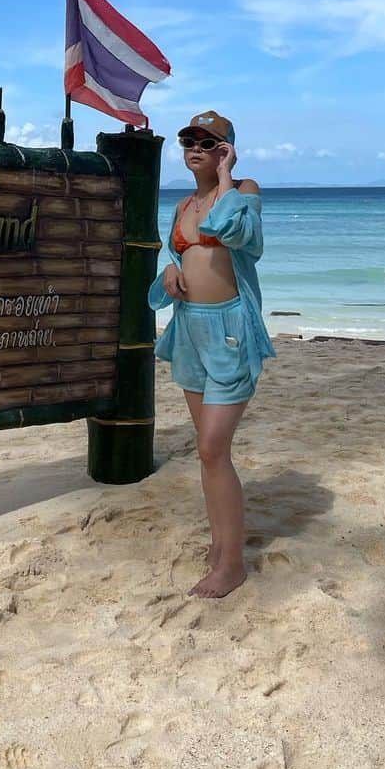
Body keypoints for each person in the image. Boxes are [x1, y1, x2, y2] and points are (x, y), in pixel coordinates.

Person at [148, 111, 275, 598]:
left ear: (226, 149)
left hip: (229, 332)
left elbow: (241, 238)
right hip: (189, 332)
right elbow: (180, 256)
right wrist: (167, 271)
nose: (195, 147)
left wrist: (225, 177)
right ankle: (222, 546)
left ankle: (232, 563)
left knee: (211, 447)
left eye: (208, 142)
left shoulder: (244, 191)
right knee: (210, 452)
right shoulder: (182, 203)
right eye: (189, 140)